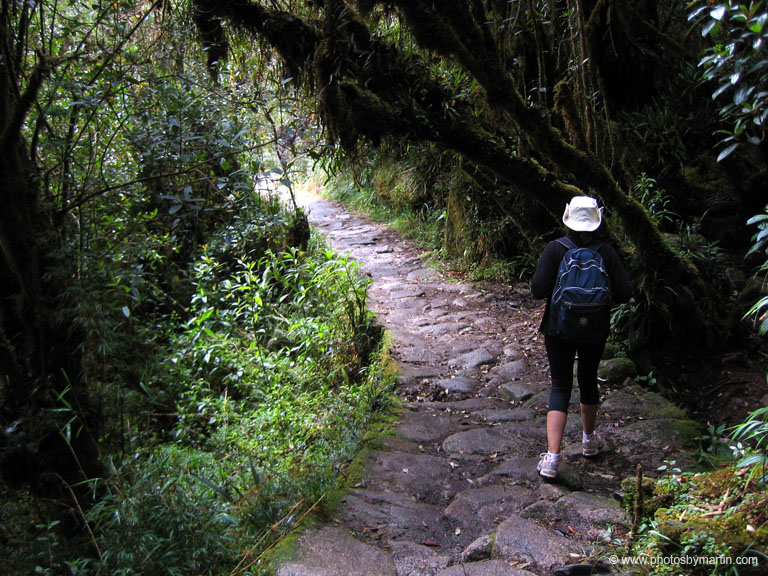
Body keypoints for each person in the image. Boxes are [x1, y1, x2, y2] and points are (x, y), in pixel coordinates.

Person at [530, 196, 632, 479]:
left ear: (568, 219)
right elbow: (625, 292)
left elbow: (537, 290)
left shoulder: (555, 249)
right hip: (595, 329)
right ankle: (588, 441)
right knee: (588, 378)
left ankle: (552, 458)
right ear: (597, 221)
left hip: (557, 328)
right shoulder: (607, 252)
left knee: (560, 386)